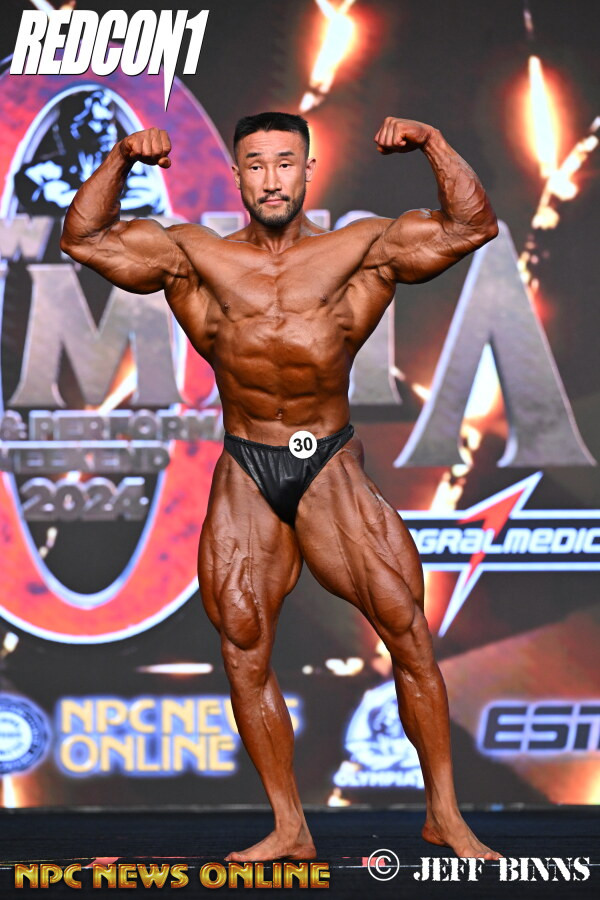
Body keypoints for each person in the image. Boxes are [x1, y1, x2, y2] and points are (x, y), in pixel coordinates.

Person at [60, 111, 500, 862]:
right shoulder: (192, 254)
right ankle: (290, 827)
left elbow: (471, 227)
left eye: (285, 163)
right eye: (257, 165)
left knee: (406, 631)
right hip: (247, 462)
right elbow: (85, 239)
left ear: (308, 170)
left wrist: (432, 141)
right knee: (243, 644)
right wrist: (123, 155)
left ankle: (445, 817)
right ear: (237, 176)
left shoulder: (359, 249)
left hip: (326, 459)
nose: (272, 179)